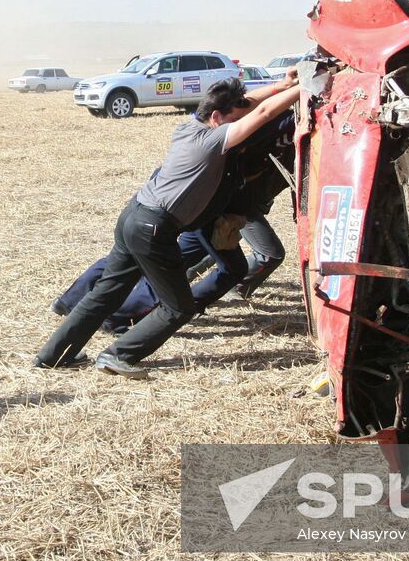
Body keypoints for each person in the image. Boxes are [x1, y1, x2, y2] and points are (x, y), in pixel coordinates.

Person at [34, 70, 300, 379]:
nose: (242, 125)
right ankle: (118, 355)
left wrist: (281, 85)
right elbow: (265, 112)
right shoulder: (213, 141)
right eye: (234, 120)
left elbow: (248, 105)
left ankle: (53, 356)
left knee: (107, 291)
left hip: (133, 215)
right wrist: (304, 86)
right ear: (217, 117)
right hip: (155, 228)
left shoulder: (189, 125)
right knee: (179, 307)